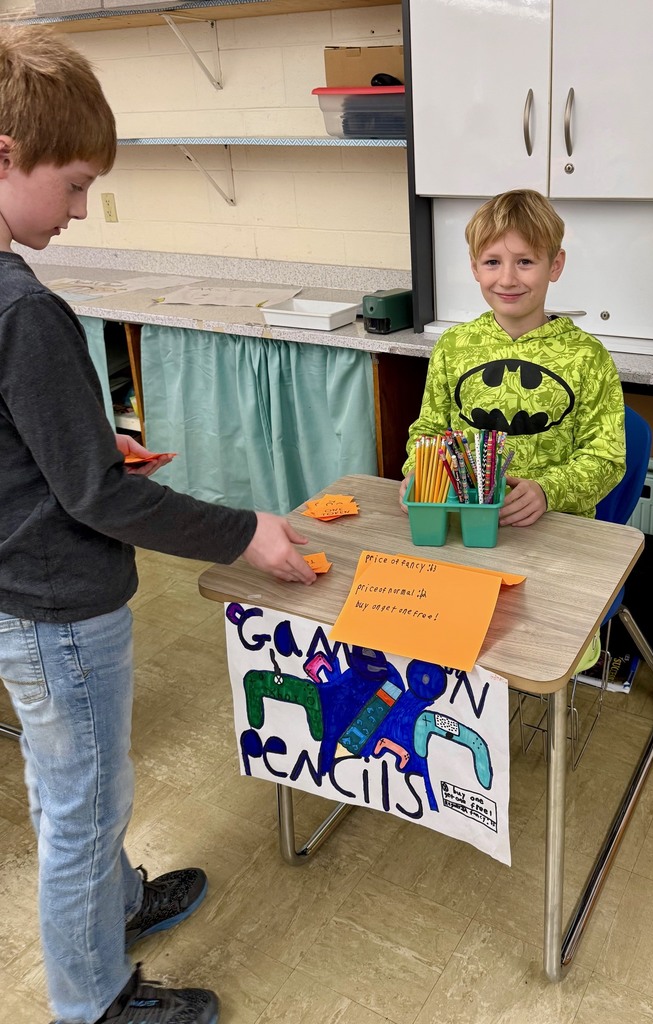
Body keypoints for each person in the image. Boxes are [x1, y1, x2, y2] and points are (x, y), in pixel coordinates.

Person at [0, 23, 316, 1024]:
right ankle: (95, 1001)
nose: (83, 209)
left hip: (20, 601)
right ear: (5, 156)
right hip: (61, 608)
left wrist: (87, 445)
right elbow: (95, 498)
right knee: (82, 805)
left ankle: (120, 904)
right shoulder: (23, 311)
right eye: (76, 183)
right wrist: (244, 532)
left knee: (82, 784)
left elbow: (35, 448)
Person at [399, 188, 626, 667]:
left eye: (525, 262)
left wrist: (547, 490)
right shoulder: (455, 347)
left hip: (551, 539)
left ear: (555, 265)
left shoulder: (588, 358)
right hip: (461, 533)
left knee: (533, 660)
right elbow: (428, 428)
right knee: (442, 652)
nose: (507, 278)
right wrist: (420, 472)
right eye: (492, 262)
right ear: (474, 266)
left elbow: (606, 459)